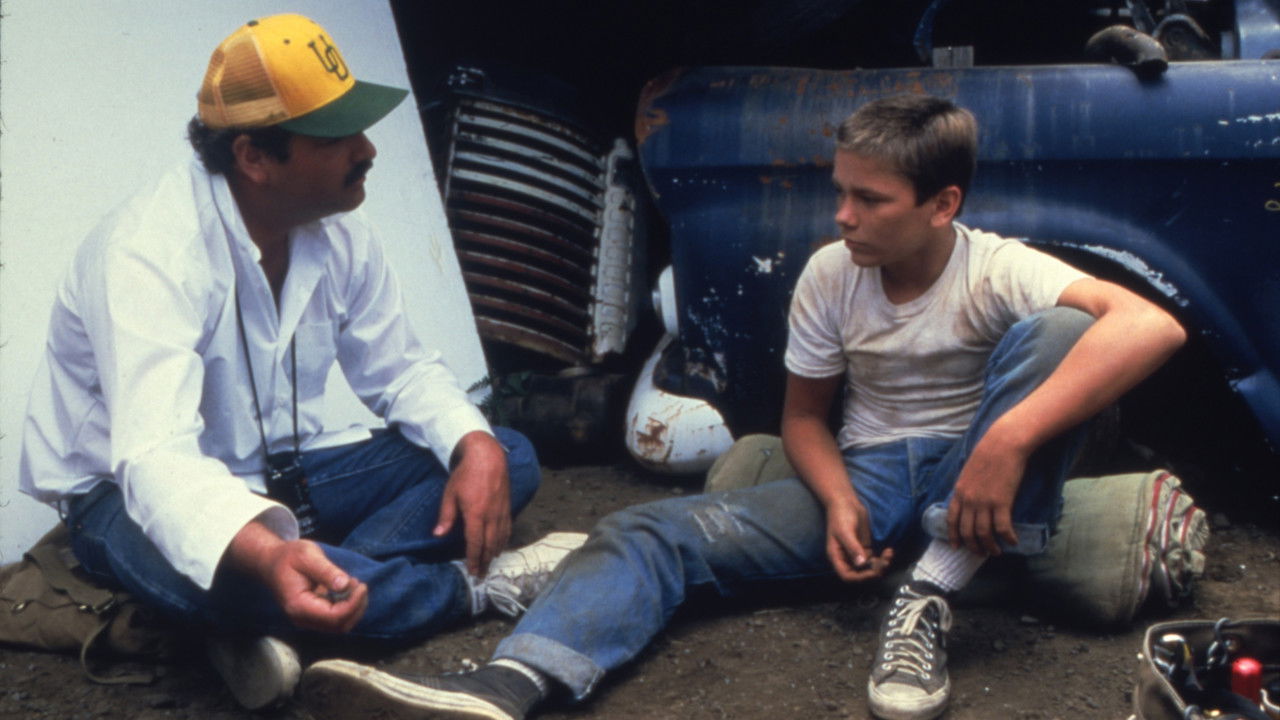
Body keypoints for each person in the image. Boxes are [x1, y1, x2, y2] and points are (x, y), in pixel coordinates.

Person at [296, 94, 1187, 720]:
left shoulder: (994, 266)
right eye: (840, 191)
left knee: (1068, 331)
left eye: (869, 199)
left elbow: (1153, 325)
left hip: (977, 475)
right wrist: (838, 501)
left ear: (941, 204)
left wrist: (1006, 441)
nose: (843, 216)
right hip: (872, 477)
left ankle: (926, 596)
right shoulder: (832, 275)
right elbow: (803, 420)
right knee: (645, 531)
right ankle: (509, 684)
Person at [17, 13, 583, 711]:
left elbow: (401, 370)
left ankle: (288, 611)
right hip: (124, 494)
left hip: (281, 474)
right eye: (336, 136)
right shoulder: (147, 253)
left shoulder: (340, 228)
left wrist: (473, 443)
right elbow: (155, 459)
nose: (368, 149)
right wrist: (265, 554)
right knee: (218, 566)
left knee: (504, 455)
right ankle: (467, 588)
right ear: (255, 157)